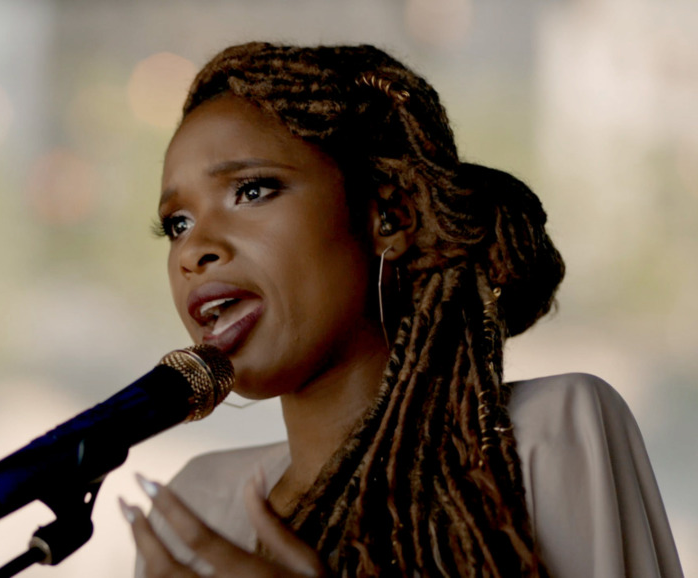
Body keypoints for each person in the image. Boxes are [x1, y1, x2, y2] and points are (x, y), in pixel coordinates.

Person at [118, 42, 684, 577]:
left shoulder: (547, 434)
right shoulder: (195, 508)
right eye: (177, 224)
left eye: (252, 190)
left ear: (388, 218)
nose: (194, 249)